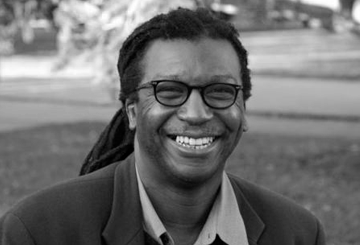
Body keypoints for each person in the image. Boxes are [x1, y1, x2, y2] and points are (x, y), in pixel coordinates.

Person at [0, 7, 325, 245]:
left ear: (243, 108)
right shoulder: (39, 231)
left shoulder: (297, 234)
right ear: (131, 111)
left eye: (220, 91)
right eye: (169, 91)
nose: (196, 113)